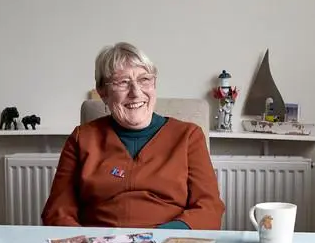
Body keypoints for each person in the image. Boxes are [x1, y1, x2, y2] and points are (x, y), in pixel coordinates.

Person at [41, 42, 225, 230]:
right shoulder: (82, 138)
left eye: (144, 79)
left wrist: (159, 238)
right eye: (122, 82)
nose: (136, 93)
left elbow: (209, 208)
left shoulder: (188, 136)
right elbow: (58, 211)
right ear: (103, 93)